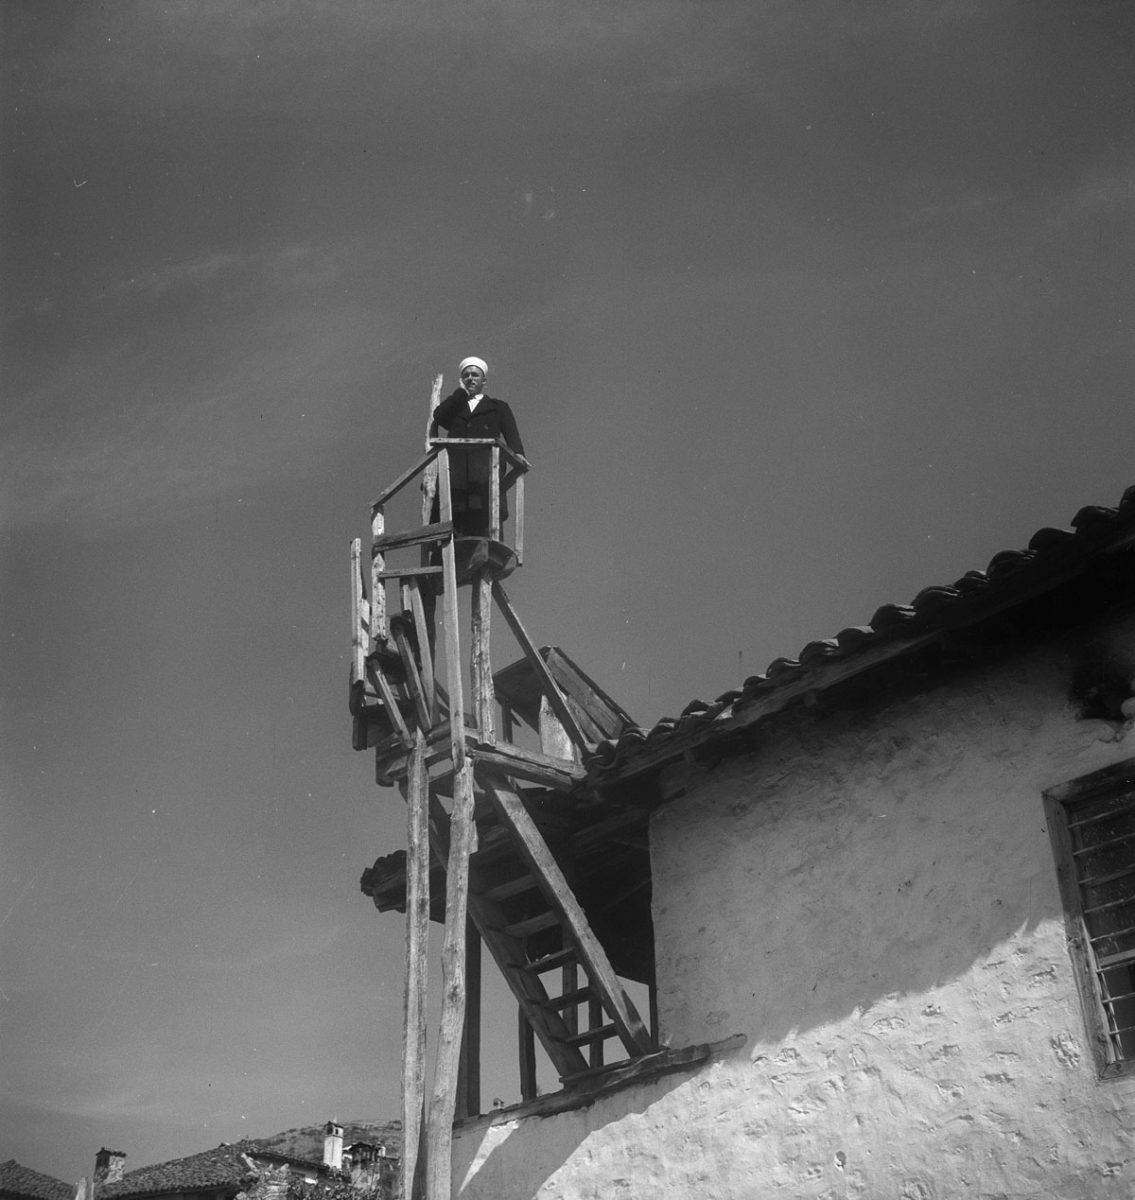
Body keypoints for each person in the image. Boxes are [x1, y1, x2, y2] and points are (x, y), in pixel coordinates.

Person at [429, 355, 526, 537]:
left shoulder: (498, 407)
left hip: (485, 472)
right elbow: (439, 416)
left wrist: (518, 453)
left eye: (475, 375)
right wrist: (460, 393)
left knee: (486, 518)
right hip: (457, 473)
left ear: (484, 381)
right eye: (466, 375)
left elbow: (512, 434)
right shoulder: (456, 407)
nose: (470, 378)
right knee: (453, 517)